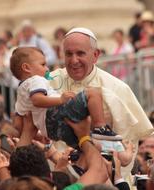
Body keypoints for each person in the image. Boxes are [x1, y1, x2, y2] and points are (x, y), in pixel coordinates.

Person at [49, 27, 153, 181]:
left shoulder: (117, 88)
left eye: (80, 53)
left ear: (95, 55)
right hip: (57, 173)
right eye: (68, 54)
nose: (73, 60)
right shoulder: (51, 81)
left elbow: (129, 139)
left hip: (104, 177)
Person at [10, 47, 124, 148]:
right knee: (93, 92)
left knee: (84, 142)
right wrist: (60, 100)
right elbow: (37, 100)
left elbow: (18, 124)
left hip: (52, 130)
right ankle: (101, 128)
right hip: (55, 115)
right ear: (26, 68)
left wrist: (40, 134)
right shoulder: (36, 80)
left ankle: (106, 146)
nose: (47, 69)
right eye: (43, 64)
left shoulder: (21, 91)